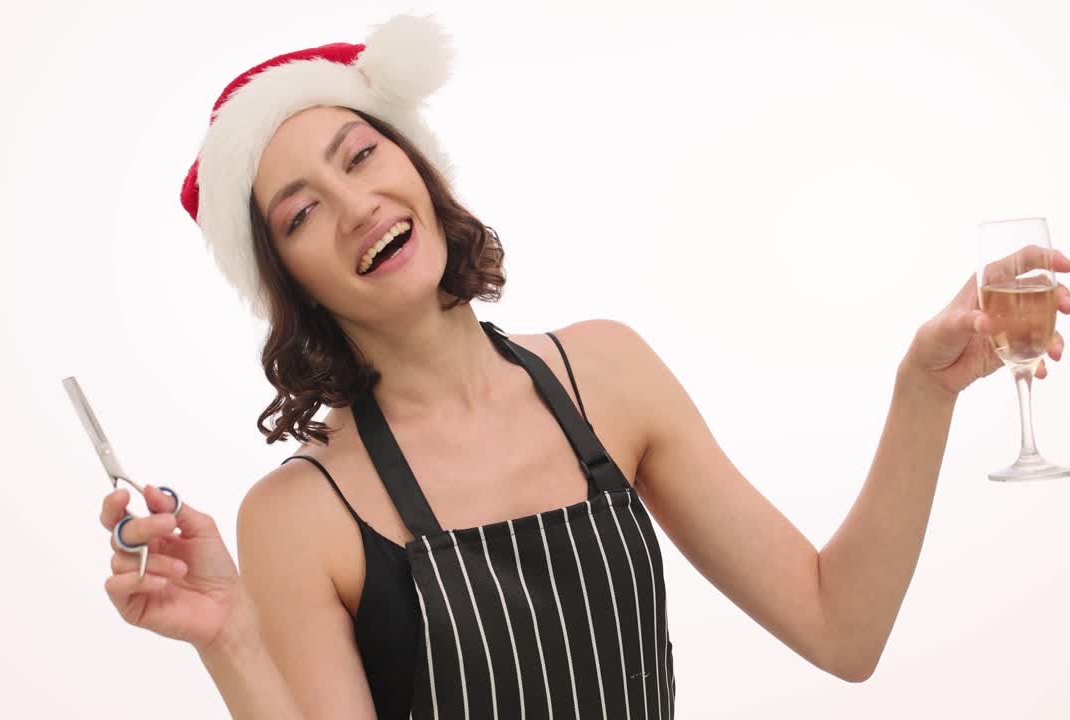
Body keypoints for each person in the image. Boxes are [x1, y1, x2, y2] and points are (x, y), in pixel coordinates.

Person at [97, 14, 1070, 720]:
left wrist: (922, 389)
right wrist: (230, 639)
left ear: (416, 168)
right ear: (289, 283)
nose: (353, 207)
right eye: (300, 213)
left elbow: (839, 629)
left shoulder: (606, 376)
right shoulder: (301, 515)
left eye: (358, 156)